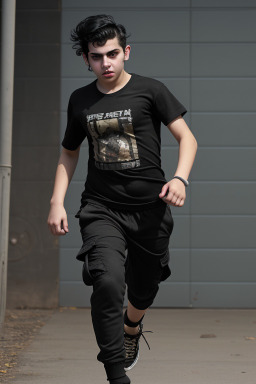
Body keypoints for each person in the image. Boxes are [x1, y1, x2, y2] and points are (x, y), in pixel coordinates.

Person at [47, 14, 197, 384]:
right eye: (96, 57)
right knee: (109, 282)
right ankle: (116, 374)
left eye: (112, 54)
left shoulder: (151, 90)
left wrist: (180, 178)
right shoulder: (80, 100)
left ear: (126, 51)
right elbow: (69, 152)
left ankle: (132, 327)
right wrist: (56, 201)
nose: (106, 63)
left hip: (150, 212)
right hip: (101, 209)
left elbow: (187, 138)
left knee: (144, 288)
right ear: (85, 59)